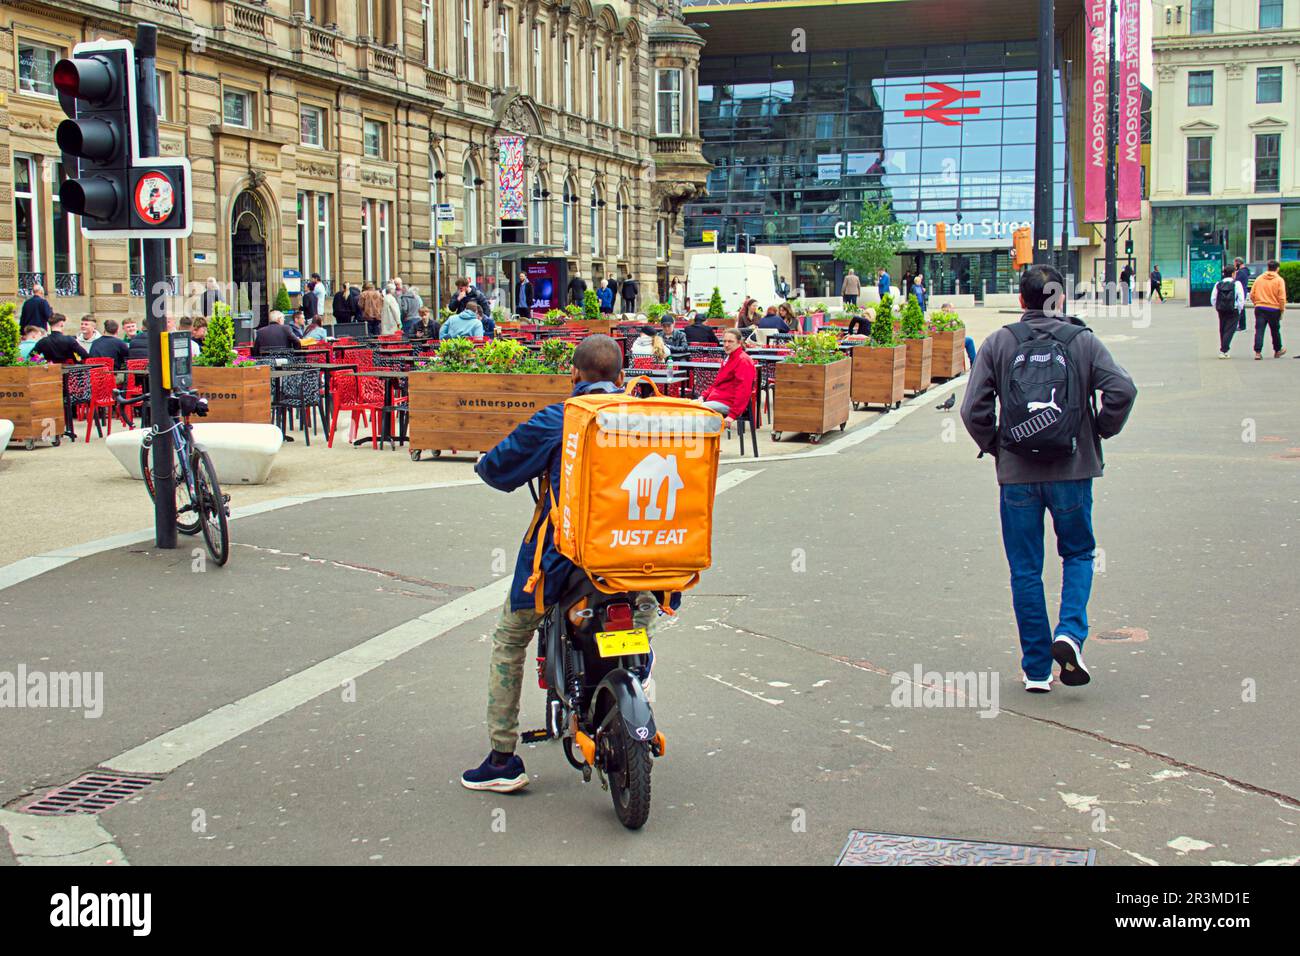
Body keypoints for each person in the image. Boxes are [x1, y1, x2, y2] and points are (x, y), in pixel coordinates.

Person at [462, 335, 656, 792]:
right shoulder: (650, 415)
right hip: (643, 559)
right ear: (622, 378)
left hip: (564, 567)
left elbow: (497, 469)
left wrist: (484, 463)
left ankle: (502, 758)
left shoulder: (559, 420)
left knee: (511, 637)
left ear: (574, 374)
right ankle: (640, 693)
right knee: (643, 624)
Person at [959, 264, 1137, 693]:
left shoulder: (999, 343)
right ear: (1060, 300)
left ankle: (1037, 669)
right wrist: (1100, 430)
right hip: (1073, 470)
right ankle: (1070, 633)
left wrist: (999, 445)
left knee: (1025, 570)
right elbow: (1122, 390)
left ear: (1021, 301)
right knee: (1077, 554)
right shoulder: (1083, 342)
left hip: (1017, 475)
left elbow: (972, 410)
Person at [700, 329, 756, 428]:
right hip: (717, 399)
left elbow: (744, 390)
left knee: (695, 411)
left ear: (739, 343)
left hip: (728, 404)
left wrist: (732, 415)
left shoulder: (743, 361)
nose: (726, 344)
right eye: (724, 341)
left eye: (730, 341)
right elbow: (717, 383)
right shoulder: (729, 357)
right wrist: (703, 396)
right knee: (688, 406)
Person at [1249, 259, 1287, 360]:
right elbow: (1282, 297)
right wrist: (1282, 309)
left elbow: (1252, 293)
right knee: (1275, 331)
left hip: (1260, 307)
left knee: (1259, 330)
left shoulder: (1259, 278)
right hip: (1274, 309)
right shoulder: (1279, 280)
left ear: (1268, 267)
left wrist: (1256, 303)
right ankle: (1277, 350)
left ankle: (1257, 352)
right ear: (1277, 268)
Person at [1211, 266, 1246, 359]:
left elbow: (1213, 298)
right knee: (1230, 330)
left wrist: (1217, 307)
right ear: (1233, 273)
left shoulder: (1218, 284)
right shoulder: (1237, 284)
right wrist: (1239, 308)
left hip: (1221, 310)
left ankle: (1224, 349)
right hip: (1233, 309)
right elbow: (1241, 298)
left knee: (1222, 328)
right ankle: (1223, 350)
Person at [1233, 257, 1252, 334]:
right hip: (1243, 291)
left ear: (1238, 263)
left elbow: (1235, 281)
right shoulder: (1245, 271)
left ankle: (1241, 325)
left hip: (1240, 292)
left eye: (1235, 263)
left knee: (1240, 308)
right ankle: (1242, 325)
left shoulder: (1241, 273)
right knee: (1242, 308)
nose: (1234, 265)